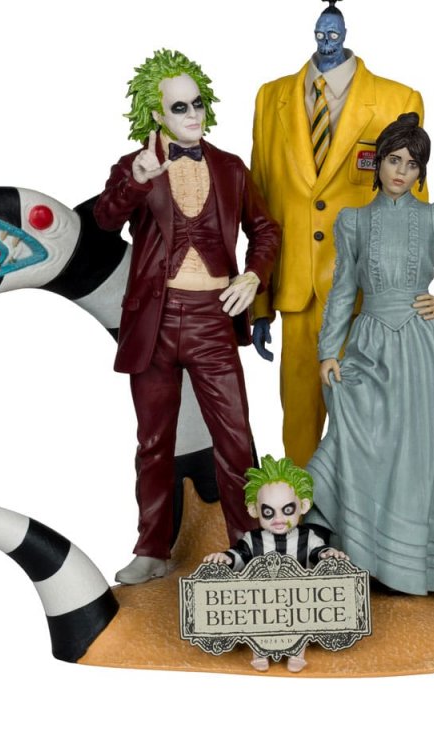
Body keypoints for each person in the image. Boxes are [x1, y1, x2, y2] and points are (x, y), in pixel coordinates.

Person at [94, 50, 280, 585]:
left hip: (212, 317)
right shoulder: (134, 165)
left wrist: (253, 276)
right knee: (154, 442)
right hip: (153, 320)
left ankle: (250, 545)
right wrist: (136, 180)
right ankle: (152, 548)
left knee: (236, 438)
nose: (194, 115)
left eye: (198, 104)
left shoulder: (230, 168)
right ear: (157, 113)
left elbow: (265, 229)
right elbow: (105, 221)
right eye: (180, 107)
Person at [303, 113, 434, 596]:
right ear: (378, 162)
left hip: (421, 347)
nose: (401, 171)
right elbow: (343, 291)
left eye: (412, 164)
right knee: (351, 437)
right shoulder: (354, 220)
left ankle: (407, 568)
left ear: (421, 171)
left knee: (413, 453)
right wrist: (328, 352)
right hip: (367, 343)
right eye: (393, 160)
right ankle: (353, 552)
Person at [250, 0, 427, 468]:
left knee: (368, 427)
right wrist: (260, 305)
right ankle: (301, 510)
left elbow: (413, 211)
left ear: (344, 35)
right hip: (297, 296)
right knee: (298, 428)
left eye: (333, 33)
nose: (326, 40)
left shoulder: (397, 101)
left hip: (369, 304)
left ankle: (366, 511)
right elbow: (259, 207)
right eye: (320, 33)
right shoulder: (270, 98)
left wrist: (407, 307)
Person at [204, 455, 347, 672]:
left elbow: (317, 552)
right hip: (263, 601)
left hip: (298, 601)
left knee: (301, 620)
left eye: (287, 509)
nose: (278, 518)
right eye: (268, 512)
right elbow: (240, 554)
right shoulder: (253, 539)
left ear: (303, 505)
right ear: (255, 510)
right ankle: (260, 652)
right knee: (258, 618)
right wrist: (226, 558)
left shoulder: (308, 537)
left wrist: (328, 554)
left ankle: (296, 652)